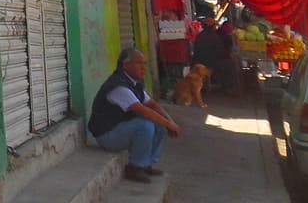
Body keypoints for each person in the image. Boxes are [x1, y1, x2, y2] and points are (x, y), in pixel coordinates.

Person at [88, 47, 182, 184]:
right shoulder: (118, 86)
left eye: (145, 63)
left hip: (120, 129)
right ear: (126, 65)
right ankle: (135, 167)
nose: (143, 67)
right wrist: (169, 124)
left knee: (158, 124)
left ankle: (146, 164)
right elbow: (142, 110)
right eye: (139, 63)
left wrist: (170, 122)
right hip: (107, 135)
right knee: (145, 125)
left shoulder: (133, 83)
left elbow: (153, 105)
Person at [192, 17, 238, 95]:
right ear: (212, 27)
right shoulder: (214, 37)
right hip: (211, 63)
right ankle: (228, 88)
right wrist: (228, 55)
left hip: (199, 61)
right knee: (231, 64)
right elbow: (220, 52)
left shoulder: (199, 36)